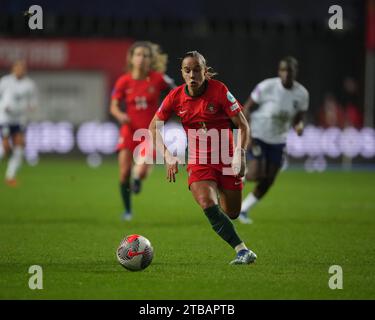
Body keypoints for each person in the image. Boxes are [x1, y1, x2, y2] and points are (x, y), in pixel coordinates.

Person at [149, 51, 257, 265]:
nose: (192, 75)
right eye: (187, 70)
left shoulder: (219, 91)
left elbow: (243, 125)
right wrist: (168, 155)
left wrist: (240, 153)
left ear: (205, 72)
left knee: (232, 213)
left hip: (226, 157)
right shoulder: (176, 97)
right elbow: (153, 127)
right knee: (207, 203)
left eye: (197, 70)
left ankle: (219, 187)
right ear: (182, 73)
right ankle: (242, 250)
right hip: (199, 160)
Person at [239, 56, 309, 224]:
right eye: (283, 70)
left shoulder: (302, 94)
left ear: (295, 73)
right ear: (279, 71)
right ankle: (233, 179)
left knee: (269, 179)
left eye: (289, 71)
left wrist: (299, 126)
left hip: (278, 140)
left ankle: (243, 209)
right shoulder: (267, 86)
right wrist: (248, 133)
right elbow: (246, 108)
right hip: (258, 135)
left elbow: (298, 117)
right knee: (256, 174)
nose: (286, 74)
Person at [110, 41, 175, 221]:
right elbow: (113, 106)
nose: (141, 58)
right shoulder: (123, 81)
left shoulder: (158, 78)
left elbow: (177, 92)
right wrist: (120, 115)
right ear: (131, 58)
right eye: (138, 54)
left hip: (149, 132)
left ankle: (137, 179)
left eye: (145, 56)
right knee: (124, 172)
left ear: (150, 60)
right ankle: (128, 211)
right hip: (129, 129)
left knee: (142, 171)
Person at [0, 60, 38, 187]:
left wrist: (30, 106)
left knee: (19, 145)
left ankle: (10, 176)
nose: (20, 70)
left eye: (22, 68)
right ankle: (10, 173)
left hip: (19, 119)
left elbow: (33, 102)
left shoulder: (30, 85)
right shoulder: (5, 81)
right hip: (5, 118)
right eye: (17, 68)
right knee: (5, 148)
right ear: (13, 69)